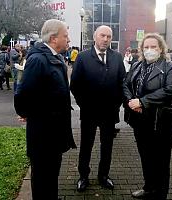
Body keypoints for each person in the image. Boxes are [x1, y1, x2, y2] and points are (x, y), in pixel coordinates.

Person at [14, 19, 76, 200]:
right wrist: (26, 113)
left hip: (53, 133)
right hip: (43, 135)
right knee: (42, 179)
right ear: (54, 38)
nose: (68, 39)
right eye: (65, 36)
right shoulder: (38, 60)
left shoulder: (54, 57)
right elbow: (23, 94)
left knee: (51, 177)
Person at [123, 33, 172, 200]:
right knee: (146, 157)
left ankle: (160, 194)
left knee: (162, 160)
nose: (149, 50)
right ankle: (149, 187)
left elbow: (170, 90)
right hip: (140, 121)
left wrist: (142, 102)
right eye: (146, 47)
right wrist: (131, 102)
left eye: (153, 47)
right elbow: (126, 84)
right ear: (142, 49)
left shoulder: (170, 67)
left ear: (161, 49)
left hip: (163, 121)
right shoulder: (136, 66)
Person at [70, 25, 126, 192]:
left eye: (109, 36)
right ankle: (83, 176)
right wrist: (84, 104)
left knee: (107, 146)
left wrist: (117, 104)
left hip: (110, 112)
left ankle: (103, 176)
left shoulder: (117, 57)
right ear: (95, 37)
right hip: (89, 112)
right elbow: (75, 85)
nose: (106, 39)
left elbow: (122, 82)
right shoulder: (83, 57)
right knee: (86, 145)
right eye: (102, 35)